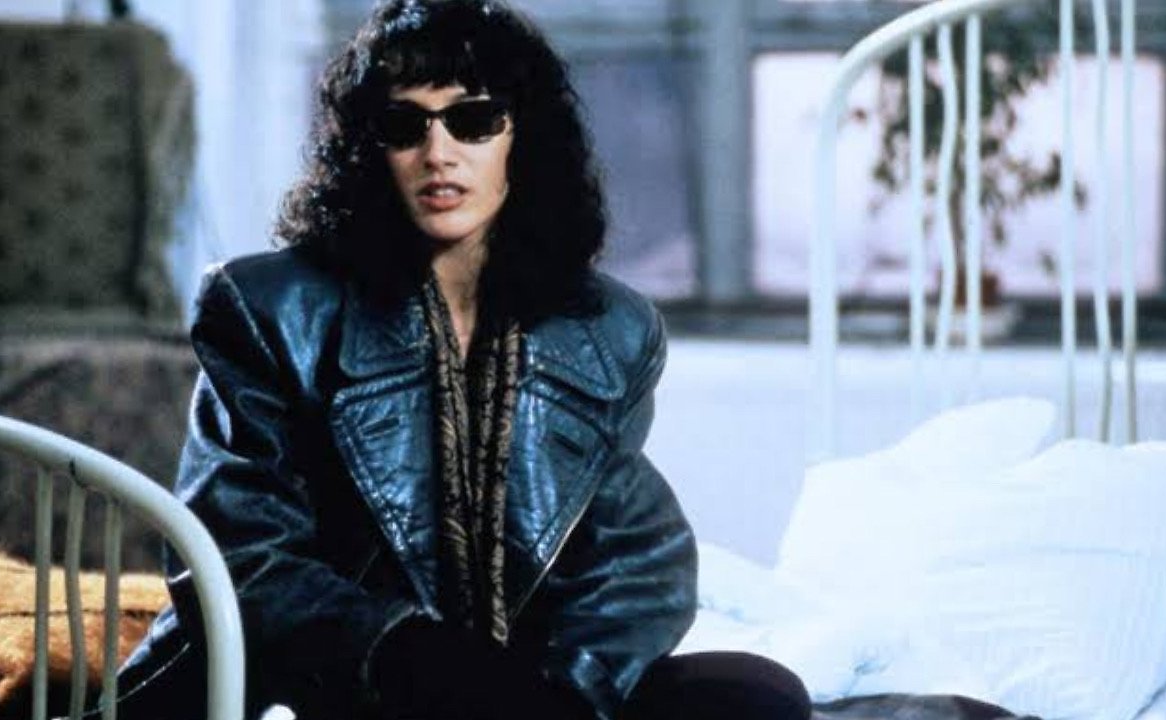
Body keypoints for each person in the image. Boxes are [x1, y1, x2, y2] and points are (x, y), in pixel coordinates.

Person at [115, 1, 810, 718]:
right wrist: (416, 657)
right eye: (403, 125)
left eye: (473, 120)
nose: (438, 153)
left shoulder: (610, 330)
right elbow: (241, 558)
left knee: (755, 694)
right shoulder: (269, 308)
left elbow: (635, 561)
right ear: (369, 149)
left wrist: (564, 693)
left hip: (517, 686)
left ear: (521, 138)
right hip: (342, 681)